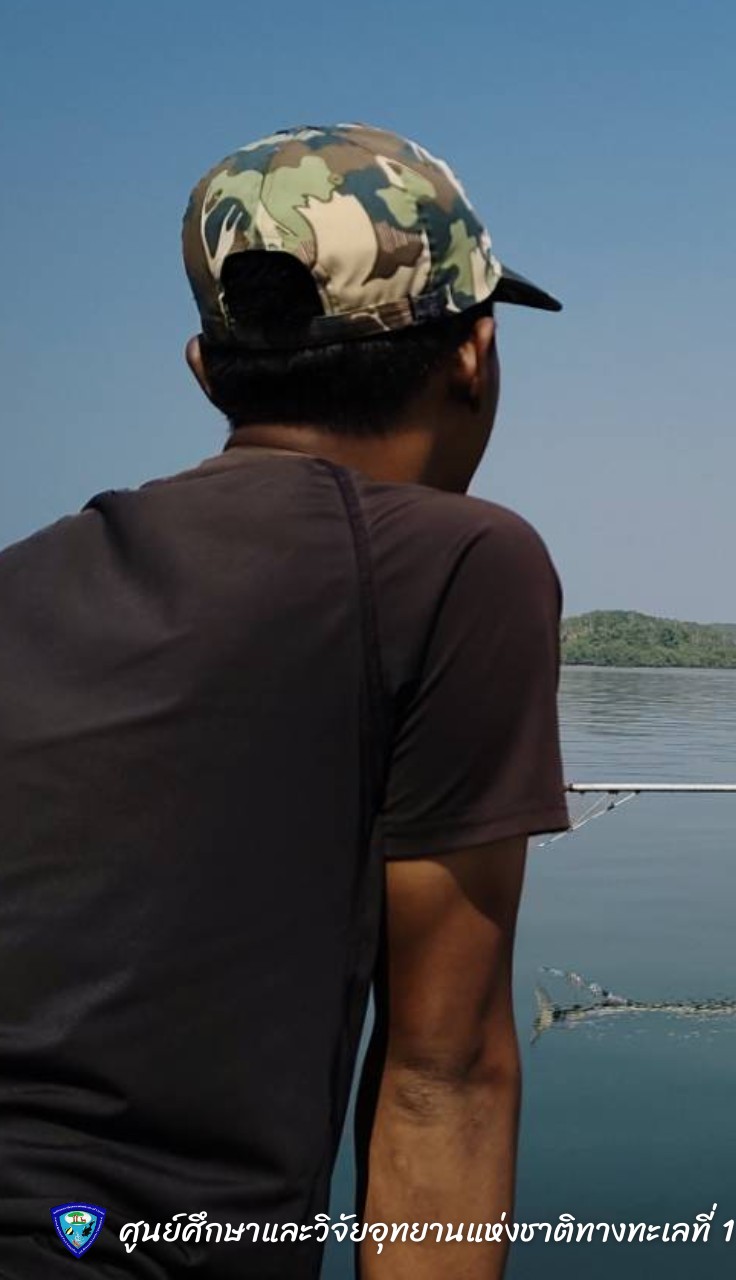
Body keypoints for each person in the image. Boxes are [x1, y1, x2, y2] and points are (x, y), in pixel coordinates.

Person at [0, 124, 569, 1279]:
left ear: (205, 368)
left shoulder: (23, 578)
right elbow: (443, 1073)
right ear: (476, 351)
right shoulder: (462, 562)